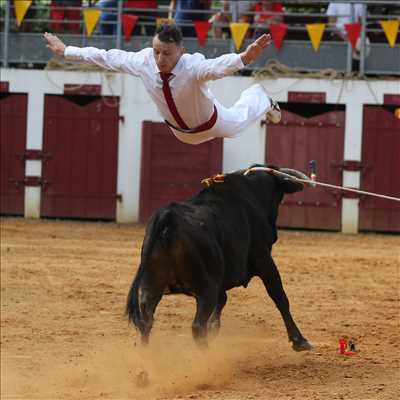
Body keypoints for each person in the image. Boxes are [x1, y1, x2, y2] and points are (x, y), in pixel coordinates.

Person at [43, 24, 281, 145]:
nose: (160, 59)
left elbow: (217, 67)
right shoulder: (143, 60)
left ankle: (261, 98)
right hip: (181, 134)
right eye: (157, 51)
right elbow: (107, 56)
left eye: (167, 53)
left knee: (238, 122)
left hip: (212, 124)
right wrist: (67, 51)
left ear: (181, 50)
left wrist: (245, 57)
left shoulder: (192, 66)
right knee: (113, 57)